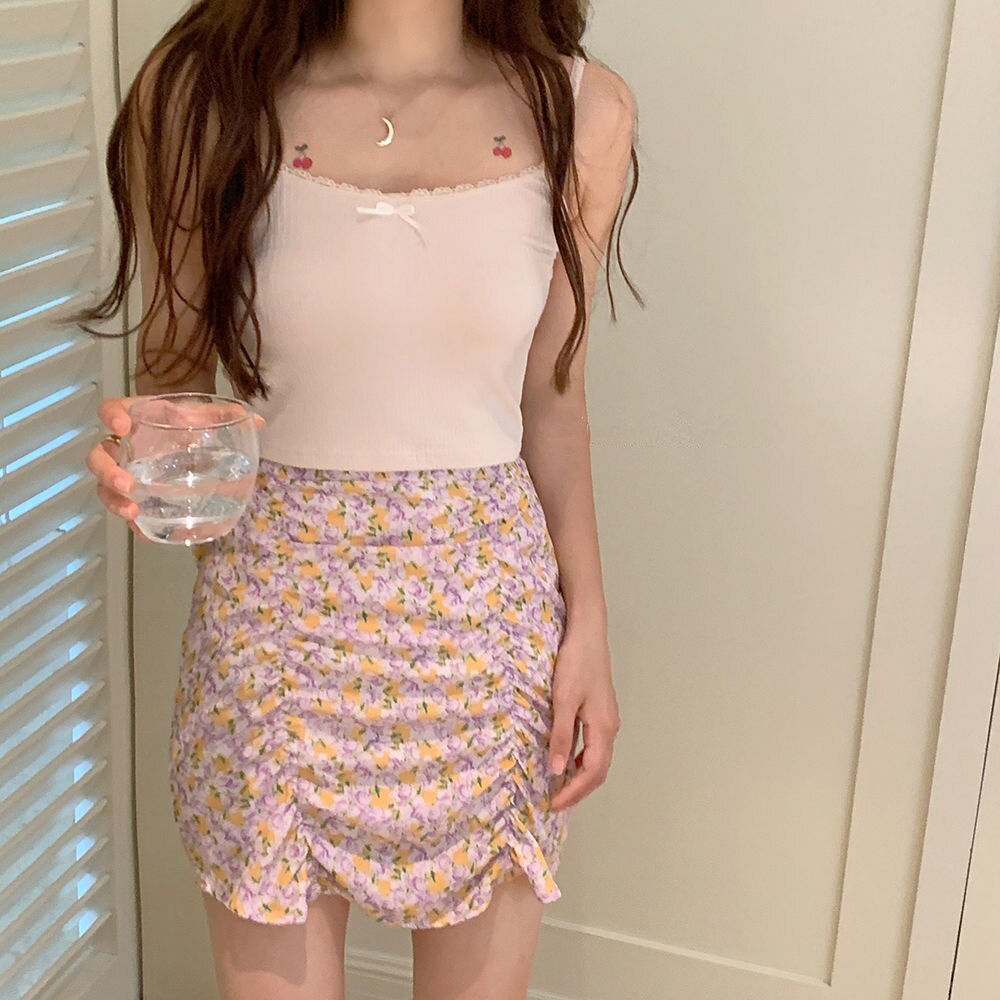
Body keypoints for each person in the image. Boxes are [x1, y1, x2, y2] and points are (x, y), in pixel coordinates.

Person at [80, 1, 639, 997]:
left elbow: (554, 401)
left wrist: (589, 627)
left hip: (490, 644)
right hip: (271, 640)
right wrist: (147, 452)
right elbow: (173, 379)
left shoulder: (583, 109)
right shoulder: (201, 91)